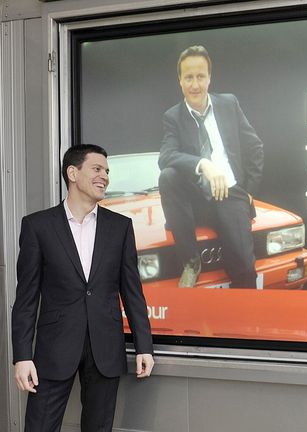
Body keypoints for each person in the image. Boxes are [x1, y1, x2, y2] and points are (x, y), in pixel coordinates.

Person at [12, 144, 155, 432]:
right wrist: (22, 356)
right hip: (54, 348)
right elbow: (26, 298)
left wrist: (144, 347)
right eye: (97, 169)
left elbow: (132, 292)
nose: (105, 176)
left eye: (107, 171)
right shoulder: (37, 226)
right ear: (73, 173)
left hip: (105, 346)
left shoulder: (120, 227)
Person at [158, 45, 264, 288]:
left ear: (209, 78)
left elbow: (255, 146)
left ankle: (242, 322)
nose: (195, 85)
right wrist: (203, 164)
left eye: (200, 76)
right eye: (188, 77)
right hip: (195, 197)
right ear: (180, 81)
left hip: (230, 194)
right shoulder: (172, 116)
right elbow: (166, 155)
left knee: (245, 269)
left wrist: (248, 191)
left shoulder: (229, 104)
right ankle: (191, 262)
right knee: (168, 176)